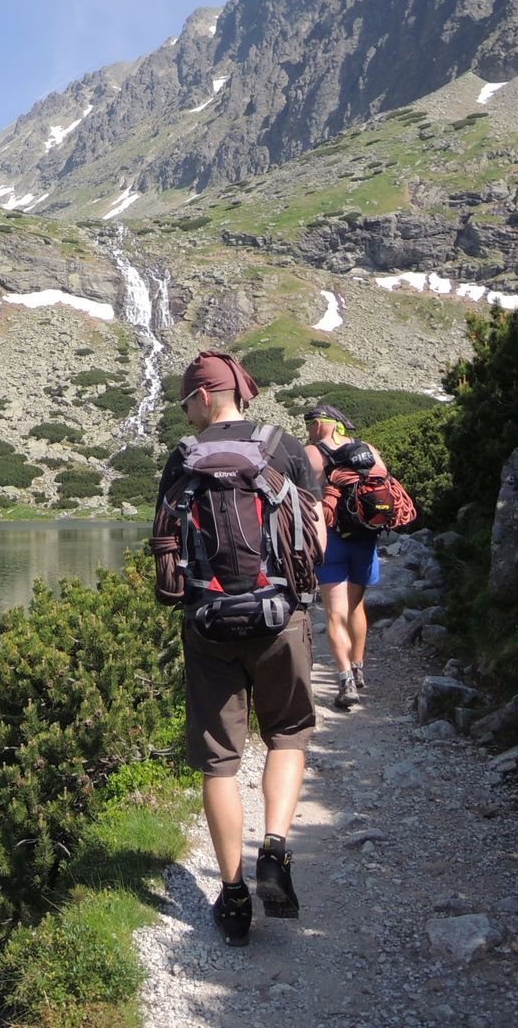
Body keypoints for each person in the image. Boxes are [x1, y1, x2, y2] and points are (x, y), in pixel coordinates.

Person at [154, 351, 324, 946]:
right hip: (280, 619)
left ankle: (231, 896)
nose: (187, 413)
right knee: (288, 735)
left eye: (186, 402)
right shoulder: (284, 448)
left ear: (204, 397)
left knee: (219, 761)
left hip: (207, 626)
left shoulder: (182, 458)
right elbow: (316, 538)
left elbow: (165, 549)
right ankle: (274, 849)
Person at [303, 404, 382, 711]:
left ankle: (345, 680)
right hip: (364, 538)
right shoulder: (368, 449)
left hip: (332, 539)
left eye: (311, 423)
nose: (308, 429)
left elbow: (301, 495)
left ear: (324, 424)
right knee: (356, 606)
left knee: (335, 613)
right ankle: (359, 666)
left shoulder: (313, 453)